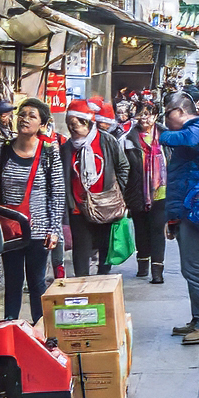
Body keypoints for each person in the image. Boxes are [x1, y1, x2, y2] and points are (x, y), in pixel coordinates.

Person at [0, 98, 64, 323]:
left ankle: (41, 331)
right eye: (22, 114)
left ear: (42, 124)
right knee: (12, 280)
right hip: (10, 229)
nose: (25, 119)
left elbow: (56, 193)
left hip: (39, 229)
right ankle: (10, 327)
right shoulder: (3, 150)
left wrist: (54, 229)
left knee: (37, 281)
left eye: (32, 116)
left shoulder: (49, 152)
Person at [159, 93, 199, 345]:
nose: (165, 121)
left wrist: (159, 131)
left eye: (167, 114)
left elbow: (186, 139)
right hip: (189, 209)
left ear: (179, 110)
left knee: (195, 269)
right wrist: (173, 219)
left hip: (198, 210)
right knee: (192, 268)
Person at [63, 99, 130, 276]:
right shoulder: (67, 148)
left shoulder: (106, 140)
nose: (71, 129)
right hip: (78, 208)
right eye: (69, 125)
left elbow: (123, 166)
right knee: (81, 252)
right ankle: (82, 288)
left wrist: (117, 191)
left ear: (87, 123)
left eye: (75, 124)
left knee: (105, 250)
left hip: (105, 205)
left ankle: (103, 285)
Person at [121, 100, 168, 284]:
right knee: (141, 229)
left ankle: (157, 271)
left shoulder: (166, 136)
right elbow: (123, 168)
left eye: (148, 114)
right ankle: (142, 266)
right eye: (140, 114)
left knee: (157, 230)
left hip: (161, 192)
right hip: (136, 190)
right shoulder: (127, 138)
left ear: (156, 116)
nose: (143, 118)